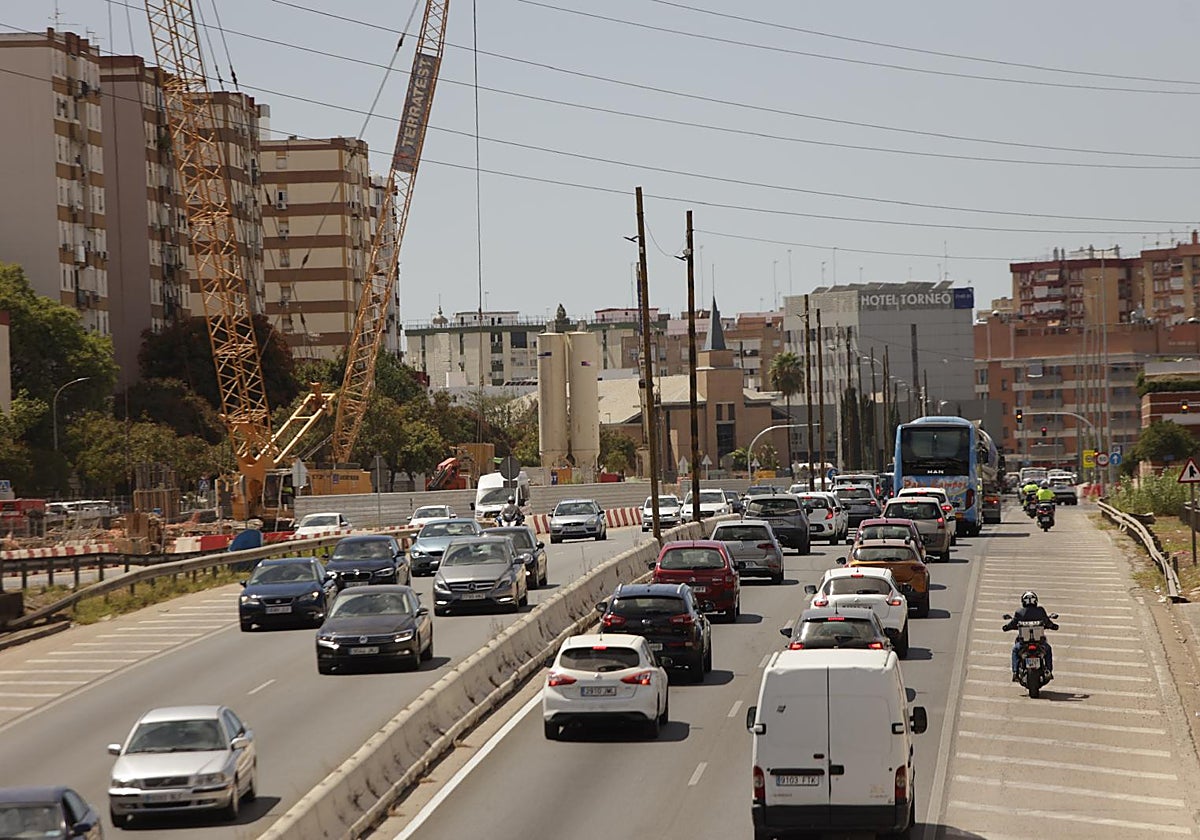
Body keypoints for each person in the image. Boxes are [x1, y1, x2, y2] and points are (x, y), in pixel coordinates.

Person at [1003, 590, 1059, 681]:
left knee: (1015, 650)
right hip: (1039, 643)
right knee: (1048, 649)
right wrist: (1053, 626)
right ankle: (1048, 670)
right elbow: (1047, 622)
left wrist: (1006, 627)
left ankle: (1015, 672)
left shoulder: (1019, 612)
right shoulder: (1040, 611)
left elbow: (1012, 624)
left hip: (1023, 643)